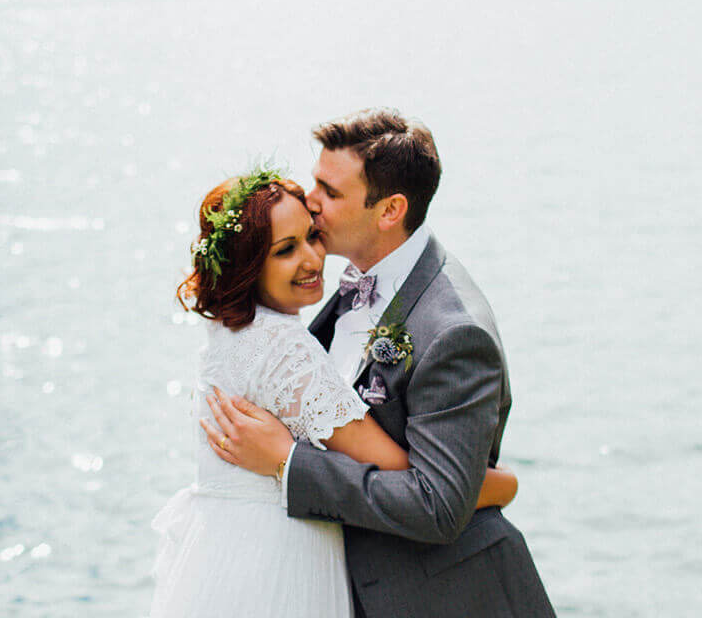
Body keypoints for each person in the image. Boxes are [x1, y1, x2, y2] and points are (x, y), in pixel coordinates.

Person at [203, 109, 555, 618]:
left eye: (330, 190)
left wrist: (289, 464)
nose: (310, 200)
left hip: (449, 600)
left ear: (390, 210)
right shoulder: (341, 287)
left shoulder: (455, 333)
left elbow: (438, 506)